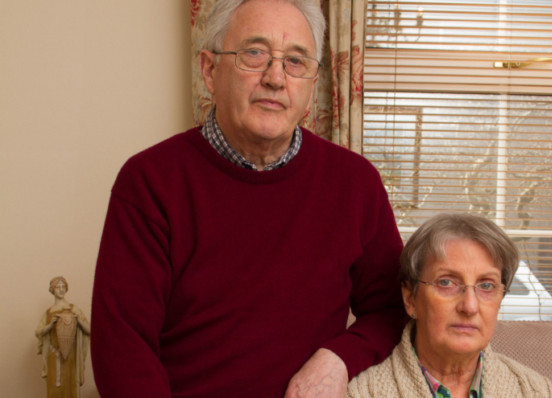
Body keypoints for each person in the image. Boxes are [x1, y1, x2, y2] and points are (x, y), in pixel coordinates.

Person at [90, 0, 405, 396]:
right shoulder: (149, 182)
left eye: (296, 61)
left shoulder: (356, 184)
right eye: (254, 53)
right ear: (209, 70)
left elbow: (392, 310)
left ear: (313, 83)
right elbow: (123, 348)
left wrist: (338, 358)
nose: (276, 77)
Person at [346, 213, 552, 397]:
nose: (469, 306)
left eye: (486, 285)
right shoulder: (360, 392)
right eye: (446, 282)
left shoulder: (534, 391)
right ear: (411, 299)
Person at [36, 276, 91, 398]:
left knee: (70, 386)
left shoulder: (74, 309)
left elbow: (89, 330)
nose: (61, 289)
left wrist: (79, 321)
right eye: (58, 287)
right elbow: (39, 332)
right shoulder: (49, 312)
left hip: (70, 356)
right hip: (53, 354)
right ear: (52, 290)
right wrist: (50, 325)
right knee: (54, 388)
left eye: (63, 287)